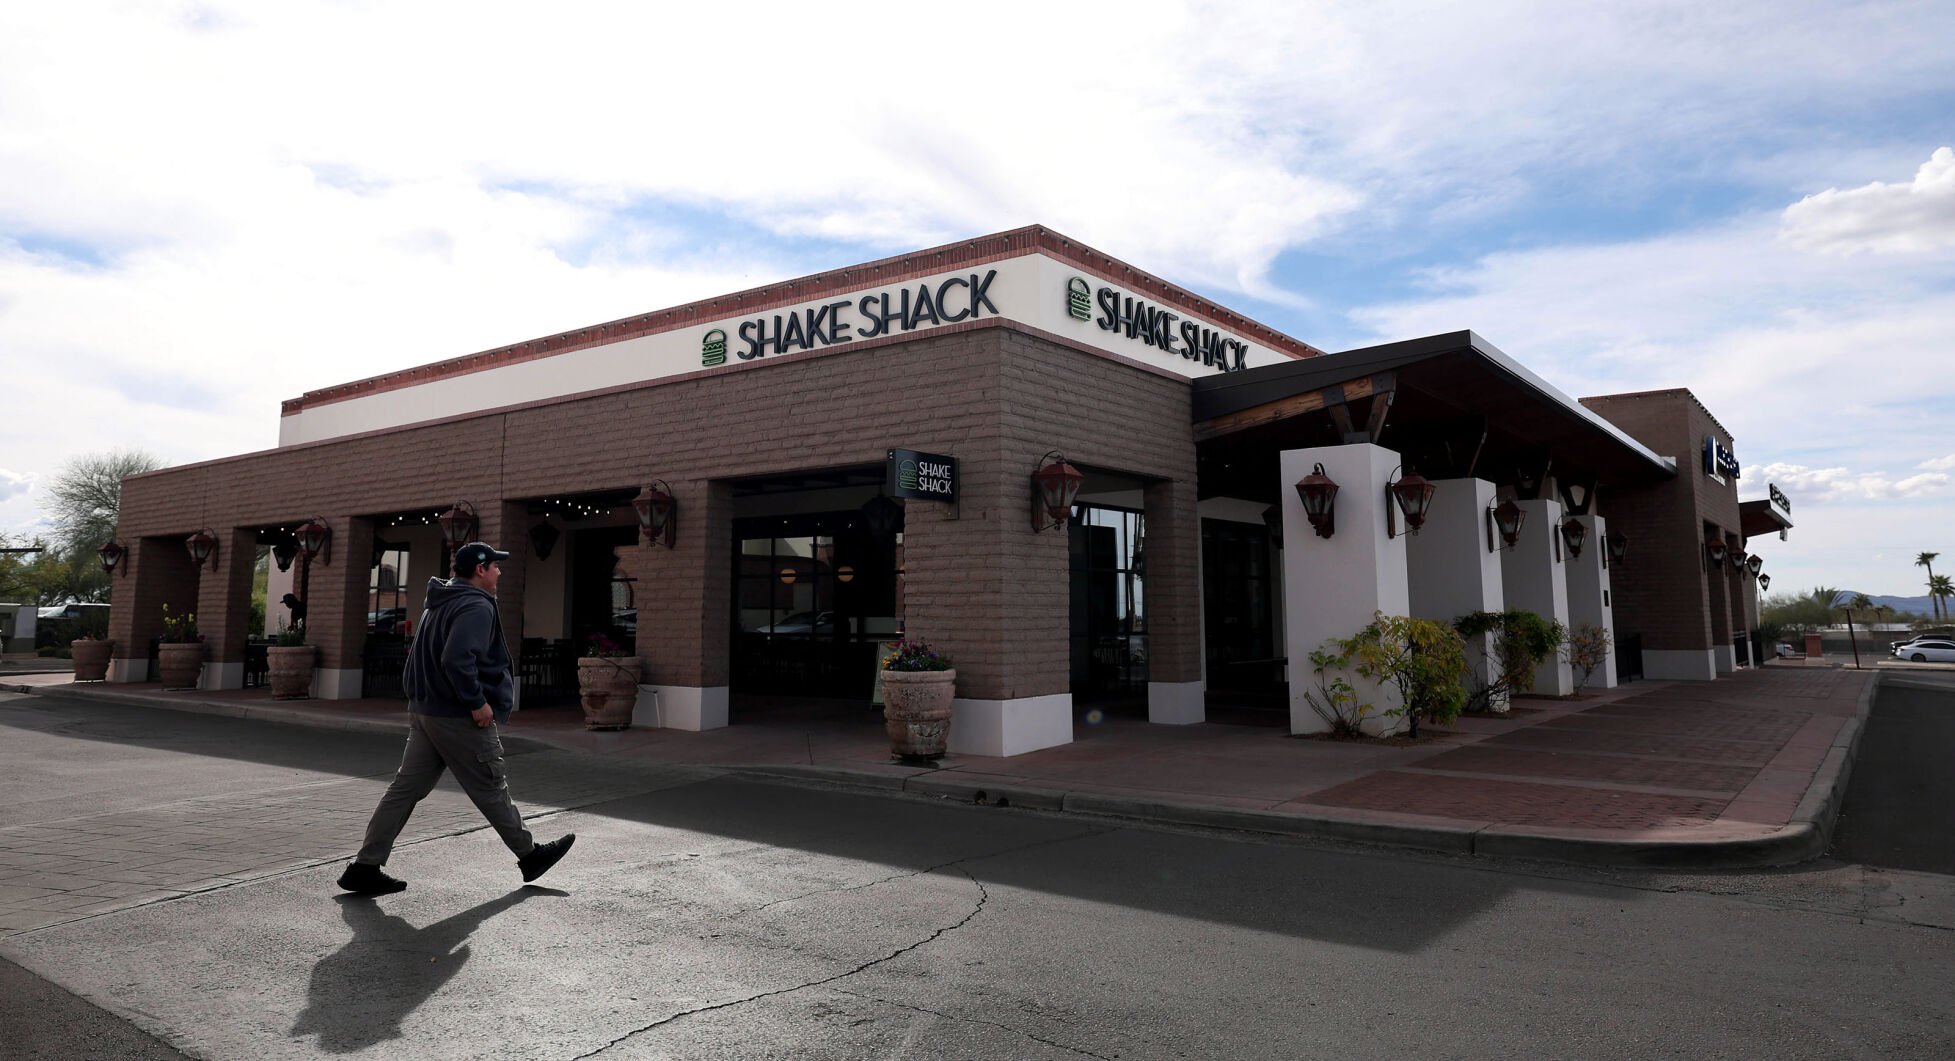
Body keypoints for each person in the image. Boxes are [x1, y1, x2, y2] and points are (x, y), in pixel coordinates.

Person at [338, 541, 574, 896]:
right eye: (495, 566)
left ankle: (364, 867)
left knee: (405, 789)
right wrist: (476, 702)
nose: (499, 572)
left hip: (426, 711)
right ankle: (530, 855)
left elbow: (422, 656)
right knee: (490, 785)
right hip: (456, 715)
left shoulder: (440, 601)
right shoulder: (475, 605)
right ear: (480, 569)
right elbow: (456, 658)